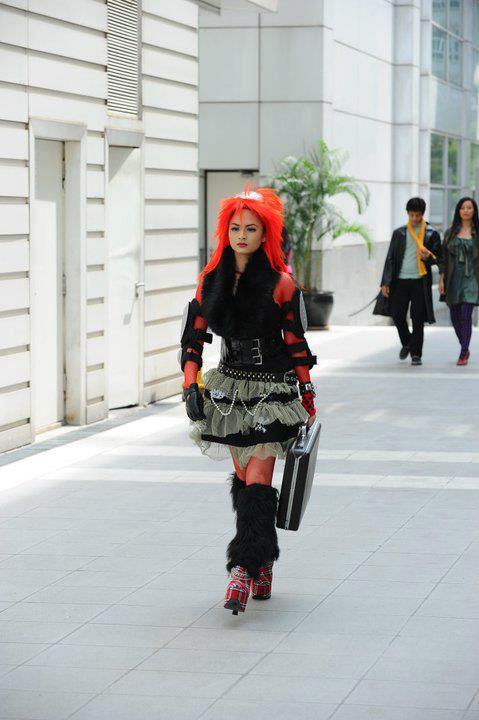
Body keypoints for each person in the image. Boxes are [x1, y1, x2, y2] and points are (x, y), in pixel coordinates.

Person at [179, 186, 317, 615]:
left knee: (257, 479)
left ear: (265, 234)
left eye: (251, 229)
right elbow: (193, 338)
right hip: (229, 390)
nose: (241, 235)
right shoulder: (210, 280)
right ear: (226, 231)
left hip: (272, 391)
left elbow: (296, 344)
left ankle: (241, 569)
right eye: (235, 228)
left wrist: (307, 391)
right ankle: (264, 560)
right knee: (245, 482)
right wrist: (190, 384)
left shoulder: (282, 283)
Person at [377, 197, 443, 365]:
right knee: (397, 315)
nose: (414, 218)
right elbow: (390, 258)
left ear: (422, 214)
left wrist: (428, 257)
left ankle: (416, 354)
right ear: (407, 213)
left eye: (417, 215)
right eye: (412, 215)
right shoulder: (399, 233)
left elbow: (439, 259)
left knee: (418, 318)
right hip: (399, 280)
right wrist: (385, 282)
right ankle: (407, 342)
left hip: (420, 281)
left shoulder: (431, 233)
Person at [440, 197, 479, 366]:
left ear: (474, 211)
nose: (466, 210)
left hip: (473, 278)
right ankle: (465, 346)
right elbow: (443, 258)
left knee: (465, 315)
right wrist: (442, 279)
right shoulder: (450, 233)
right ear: (458, 211)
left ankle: (463, 352)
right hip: (453, 277)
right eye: (462, 208)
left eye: (469, 207)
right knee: (455, 316)